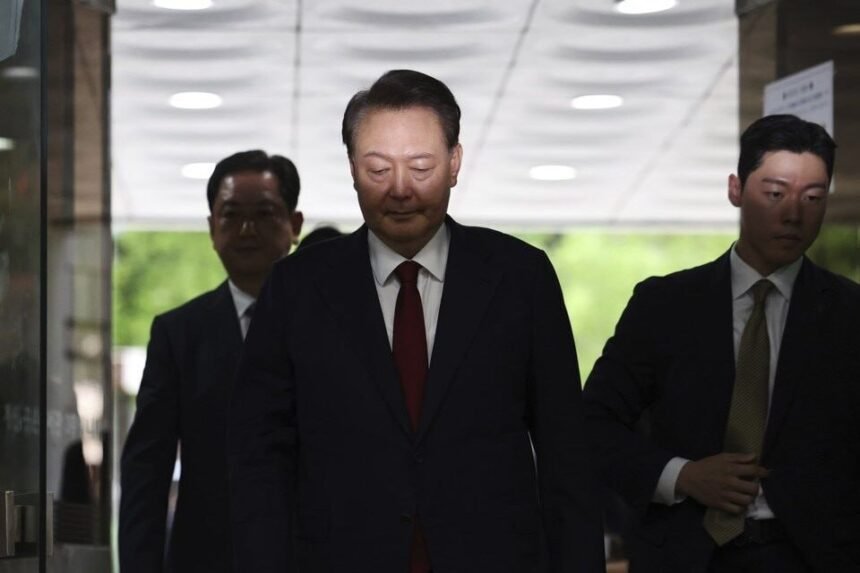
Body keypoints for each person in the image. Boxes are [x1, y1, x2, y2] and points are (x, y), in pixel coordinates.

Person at [228, 69, 605, 573]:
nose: (400, 189)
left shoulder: (520, 278)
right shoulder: (297, 288)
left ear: (454, 163)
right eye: (378, 169)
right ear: (352, 168)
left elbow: (566, 456)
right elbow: (259, 457)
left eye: (421, 167)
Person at [582, 114, 860, 572]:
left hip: (813, 555)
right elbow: (591, 425)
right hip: (685, 554)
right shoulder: (664, 306)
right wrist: (682, 475)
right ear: (736, 189)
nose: (793, 213)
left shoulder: (849, 315)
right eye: (775, 194)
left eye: (813, 197)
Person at [119, 150, 304, 573]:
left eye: (264, 214)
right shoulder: (179, 334)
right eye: (231, 215)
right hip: (206, 557)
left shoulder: (330, 326)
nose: (246, 230)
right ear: (211, 228)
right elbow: (147, 470)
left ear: (294, 225)